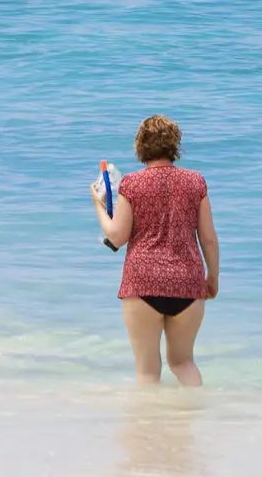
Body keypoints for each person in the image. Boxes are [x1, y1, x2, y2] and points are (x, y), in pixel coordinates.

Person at [90, 114, 221, 385]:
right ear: (174, 145)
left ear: (141, 145)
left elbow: (117, 237)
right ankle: (196, 410)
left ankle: (149, 415)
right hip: (187, 281)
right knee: (184, 363)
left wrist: (98, 206)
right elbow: (208, 238)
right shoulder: (196, 182)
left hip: (143, 283)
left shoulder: (131, 184)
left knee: (147, 371)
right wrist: (212, 276)